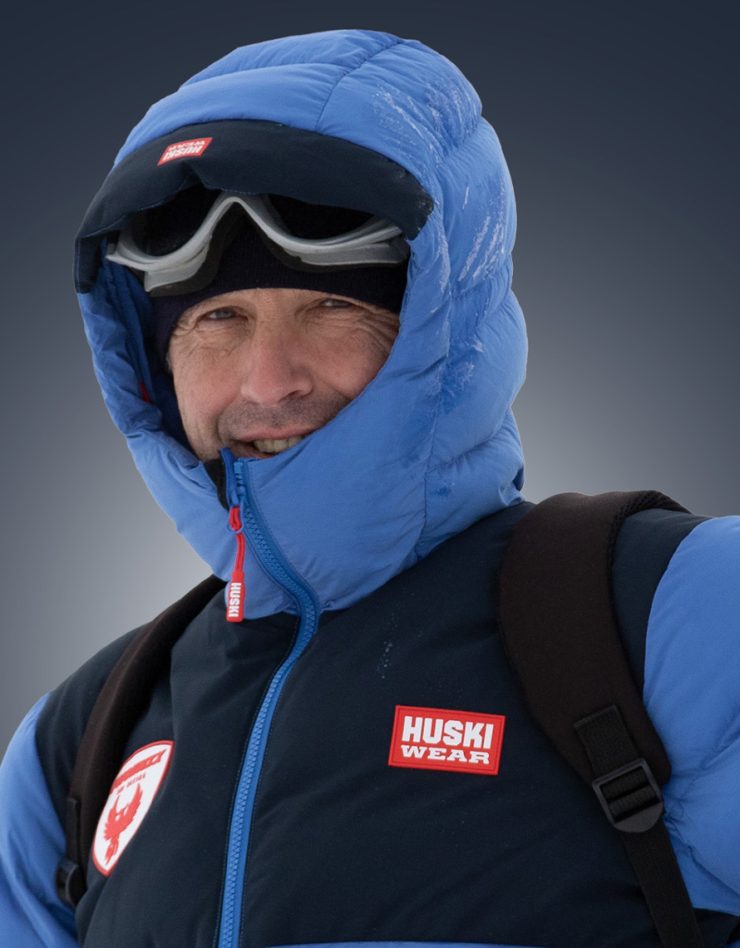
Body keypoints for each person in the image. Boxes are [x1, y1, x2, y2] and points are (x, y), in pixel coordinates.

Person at [0, 27, 738, 948]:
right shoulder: (81, 741)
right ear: (154, 365)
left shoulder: (677, 616)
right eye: (219, 319)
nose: (269, 381)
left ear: (443, 327)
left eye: (332, 307)